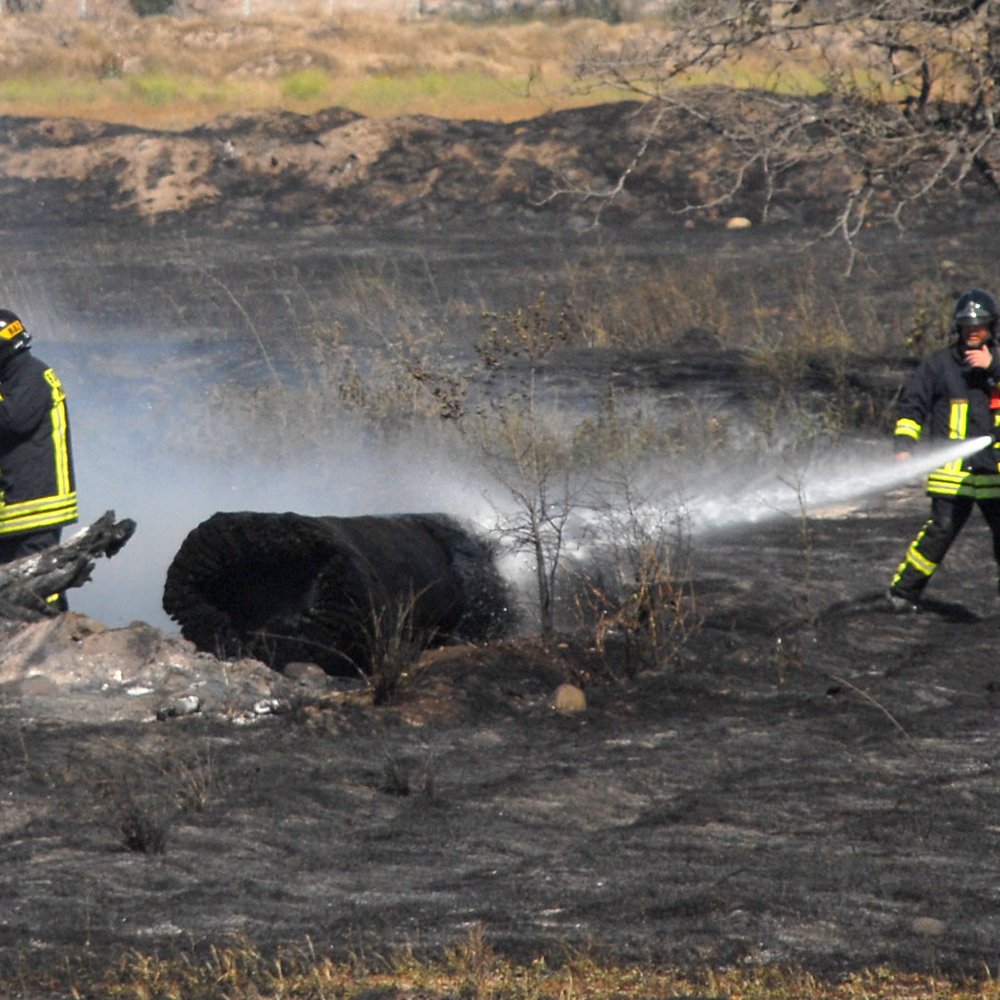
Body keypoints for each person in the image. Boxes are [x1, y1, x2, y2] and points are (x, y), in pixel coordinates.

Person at [887, 288, 1000, 611]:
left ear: (992, 326)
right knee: (941, 531)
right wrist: (904, 445)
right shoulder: (938, 365)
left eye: (980, 325)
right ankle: (902, 594)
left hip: (995, 470)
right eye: (967, 325)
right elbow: (913, 406)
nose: (973, 331)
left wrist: (993, 366)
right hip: (952, 472)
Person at [0, 309, 77, 610]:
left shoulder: (32, 375)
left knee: (38, 584)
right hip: (16, 505)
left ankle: (54, 629)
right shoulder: (13, 379)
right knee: (12, 586)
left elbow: (11, 421)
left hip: (37, 504)